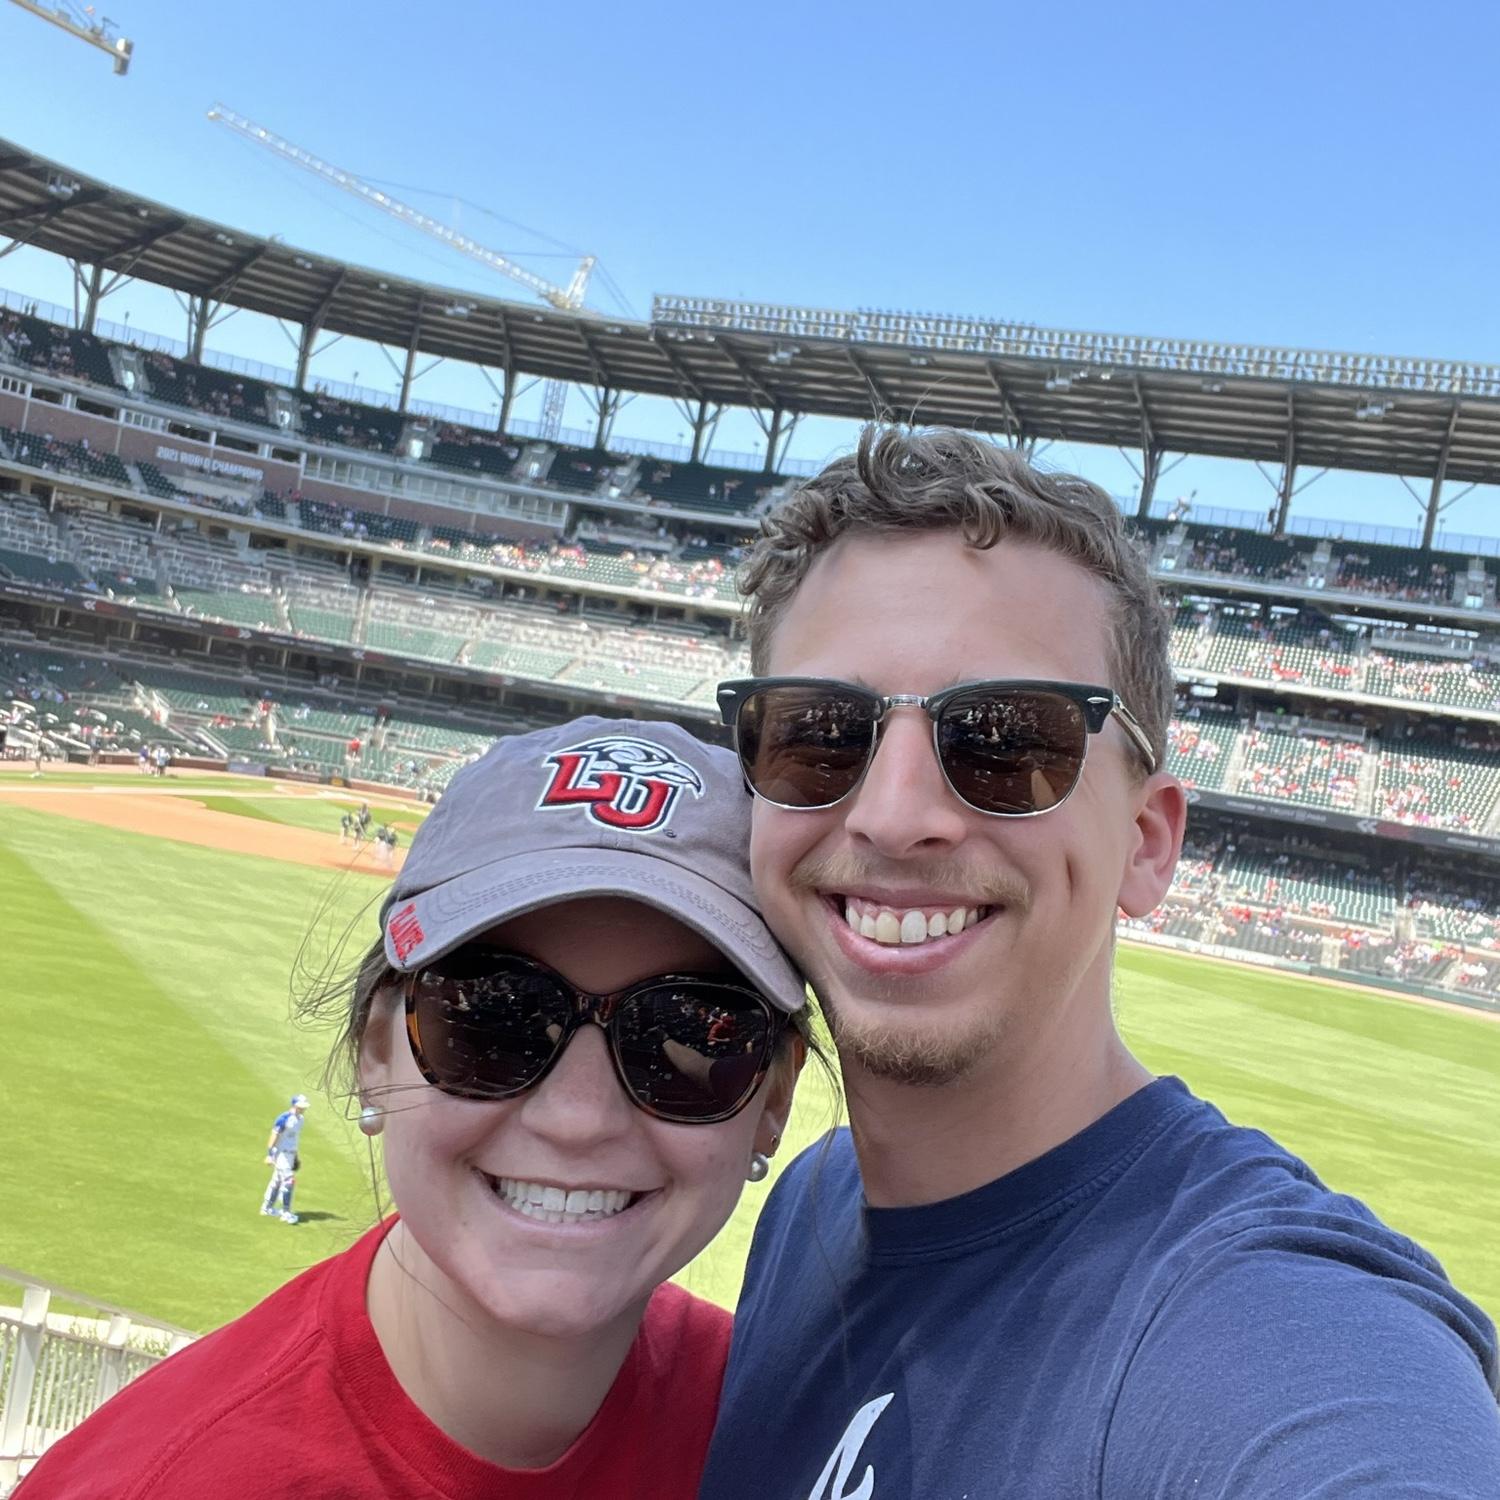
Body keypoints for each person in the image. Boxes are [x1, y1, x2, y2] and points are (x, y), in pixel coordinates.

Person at [699, 427, 1500, 1498]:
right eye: (818, 735)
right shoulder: (804, 1208)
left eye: (1005, 741)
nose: (893, 816)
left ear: (1147, 842)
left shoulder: (1251, 1321)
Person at [19, 716, 807, 1499]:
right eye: (491, 1017)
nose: (578, 1119)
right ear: (375, 1050)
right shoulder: (158, 1485)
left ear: (773, 1100)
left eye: (685, 1033)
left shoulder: (800, 1441)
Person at [259, 1093, 308, 1224]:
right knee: (288, 1181)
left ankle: (267, 1208)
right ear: (294, 1105)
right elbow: (274, 1136)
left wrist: (295, 1156)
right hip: (281, 1154)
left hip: (290, 1155)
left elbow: (293, 1139)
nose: (303, 1109)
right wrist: (270, 1155)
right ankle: (286, 1213)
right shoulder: (284, 1118)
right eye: (301, 1106)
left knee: (276, 1181)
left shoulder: (300, 1120)